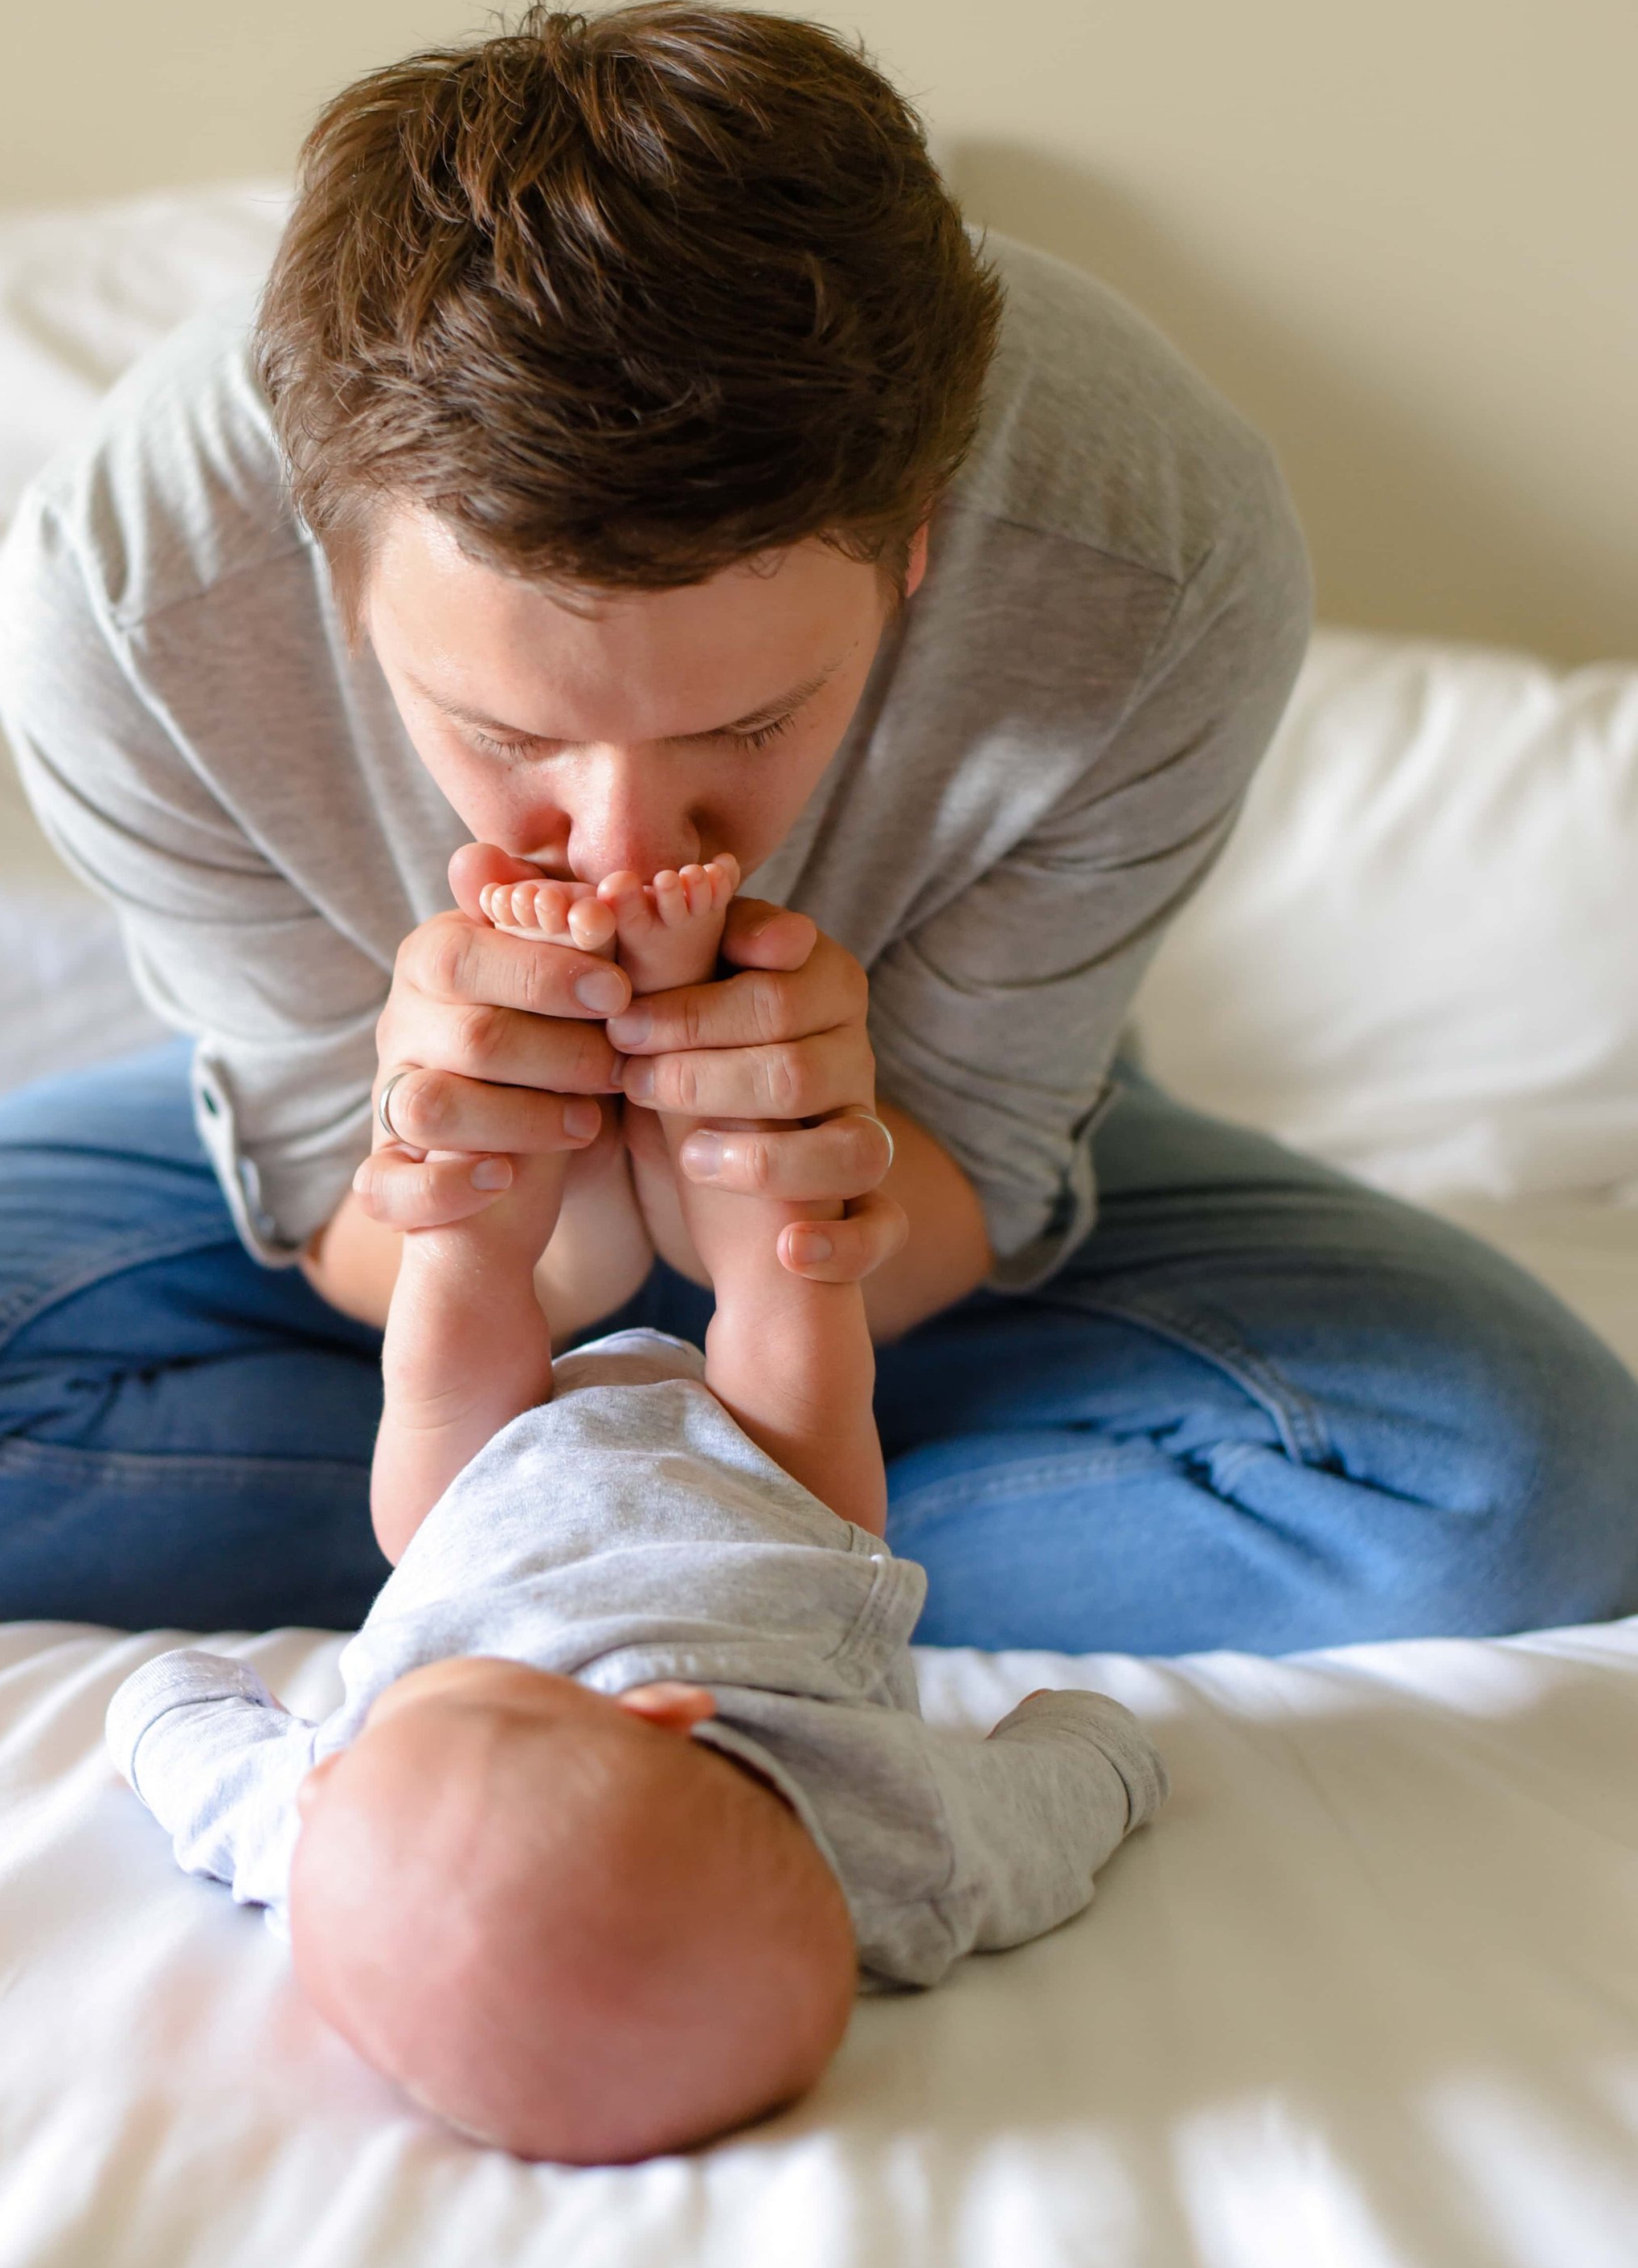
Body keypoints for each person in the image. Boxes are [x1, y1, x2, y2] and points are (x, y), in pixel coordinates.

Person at [0, 0, 1635, 1648]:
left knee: (1527, 1498)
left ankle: (568, 1562)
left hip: (915, 1156)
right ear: (334, 577)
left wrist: (771, 1215)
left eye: (752, 722)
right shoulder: (135, 592)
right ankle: (721, 1559)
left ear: (912, 545)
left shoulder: (1148, 547)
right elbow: (329, 1204)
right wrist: (504, 1221)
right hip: (367, 1154)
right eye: (503, 729)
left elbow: (977, 1176)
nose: (611, 845)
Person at [106, 860, 1165, 2163]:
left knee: (453, 1314)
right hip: (768, 1505)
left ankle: (513, 1181)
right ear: (662, 1707)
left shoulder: (337, 1846)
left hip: (479, 1497)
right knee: (790, 1294)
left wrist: (161, 1704)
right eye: (457, 1705)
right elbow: (1059, 1804)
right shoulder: (907, 1859)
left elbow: (191, 1751)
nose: (346, 1743)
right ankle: (698, 1054)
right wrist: (1102, 1746)